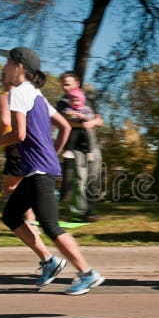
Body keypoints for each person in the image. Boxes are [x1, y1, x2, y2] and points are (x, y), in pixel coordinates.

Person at [0, 46, 104, 295]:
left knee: (50, 225)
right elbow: (65, 126)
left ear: (19, 68)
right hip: (40, 168)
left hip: (39, 171)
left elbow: (18, 134)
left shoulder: (18, 93)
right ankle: (49, 261)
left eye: (7, 63)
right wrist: (52, 153)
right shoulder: (36, 94)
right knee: (11, 215)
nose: (4, 67)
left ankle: (87, 273)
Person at [57, 72, 104, 222]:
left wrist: (91, 123)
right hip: (74, 146)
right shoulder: (63, 102)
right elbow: (60, 121)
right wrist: (81, 123)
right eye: (63, 84)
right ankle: (78, 211)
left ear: (76, 83)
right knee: (79, 178)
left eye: (68, 83)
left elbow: (99, 120)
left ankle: (89, 209)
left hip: (91, 143)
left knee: (93, 177)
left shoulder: (88, 100)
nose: (65, 87)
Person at [0, 72, 37, 230]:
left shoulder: (5, 96)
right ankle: (30, 219)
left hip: (13, 141)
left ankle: (27, 220)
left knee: (10, 185)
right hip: (31, 141)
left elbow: (5, 120)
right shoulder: (29, 94)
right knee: (23, 182)